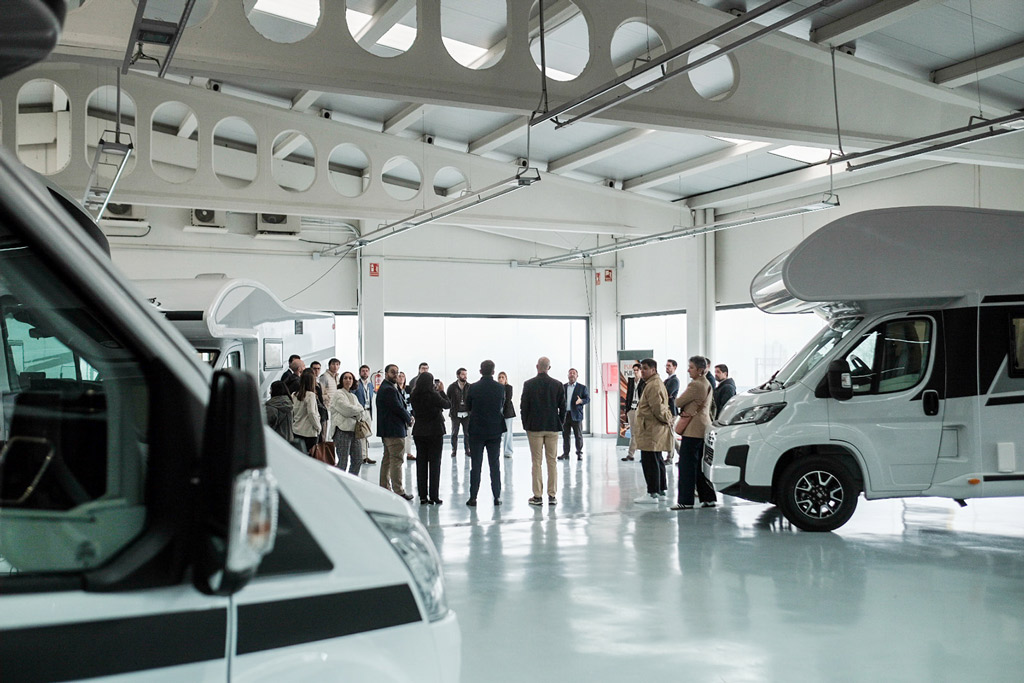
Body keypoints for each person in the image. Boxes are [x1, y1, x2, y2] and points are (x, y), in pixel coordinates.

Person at [671, 356, 717, 510]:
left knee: (686, 466)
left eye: (691, 367)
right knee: (698, 466)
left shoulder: (696, 385)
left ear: (700, 370)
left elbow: (678, 402)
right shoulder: (707, 383)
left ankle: (686, 500)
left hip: (692, 429)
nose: (688, 370)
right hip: (703, 426)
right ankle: (708, 498)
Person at [520, 356, 565, 506]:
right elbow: (563, 408)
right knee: (552, 461)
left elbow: (523, 407)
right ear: (549, 368)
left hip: (534, 428)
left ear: (537, 366)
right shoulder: (558, 385)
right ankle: (552, 496)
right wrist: (560, 422)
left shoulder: (529, 384)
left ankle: (537, 496)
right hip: (552, 427)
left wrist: (526, 424)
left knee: (536, 462)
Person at [465, 360, 506, 507]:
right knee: (494, 464)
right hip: (495, 430)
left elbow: (468, 406)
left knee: (476, 465)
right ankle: (497, 496)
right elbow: (501, 405)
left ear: (480, 371)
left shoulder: (473, 388)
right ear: (493, 372)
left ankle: (473, 497)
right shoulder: (500, 388)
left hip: (476, 430)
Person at [633, 358, 673, 504]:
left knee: (650, 461)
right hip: (652, 428)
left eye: (644, 368)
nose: (642, 371)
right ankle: (661, 488)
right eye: (641, 368)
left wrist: (666, 419)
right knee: (657, 459)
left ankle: (652, 493)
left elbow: (658, 408)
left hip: (651, 429)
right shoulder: (653, 383)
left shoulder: (653, 385)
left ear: (653, 370)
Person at [409, 372, 450, 505]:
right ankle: (434, 496)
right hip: (435, 432)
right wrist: (442, 391)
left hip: (419, 431)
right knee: (435, 464)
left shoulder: (414, 395)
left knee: (421, 464)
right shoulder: (434, 395)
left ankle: (422, 496)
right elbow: (447, 404)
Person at [375, 364, 413, 501]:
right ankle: (399, 490)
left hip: (389, 430)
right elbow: (398, 408)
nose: (395, 375)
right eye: (392, 372)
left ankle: (384, 486)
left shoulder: (389, 387)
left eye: (397, 372)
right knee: (397, 460)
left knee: (387, 459)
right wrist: (408, 418)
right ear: (386, 373)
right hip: (394, 430)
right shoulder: (388, 389)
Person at [329, 371, 369, 475]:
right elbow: (347, 410)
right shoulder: (338, 394)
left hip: (354, 431)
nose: (348, 380)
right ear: (341, 381)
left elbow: (362, 412)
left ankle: (351, 482)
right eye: (345, 378)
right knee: (343, 462)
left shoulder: (353, 396)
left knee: (358, 460)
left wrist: (356, 412)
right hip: (342, 431)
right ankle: (338, 485)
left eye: (350, 378)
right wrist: (357, 412)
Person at [559, 368, 589, 461]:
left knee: (578, 435)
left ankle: (579, 453)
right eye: (570, 373)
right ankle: (566, 454)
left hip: (576, 415)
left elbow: (587, 399)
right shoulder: (563, 387)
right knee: (565, 435)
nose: (572, 375)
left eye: (574, 373)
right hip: (565, 415)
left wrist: (581, 401)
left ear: (577, 376)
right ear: (568, 375)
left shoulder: (582, 387)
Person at [291, 368, 321, 453]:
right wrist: (318, 427)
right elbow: (312, 413)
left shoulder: (294, 394)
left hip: (296, 430)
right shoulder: (311, 395)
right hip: (309, 432)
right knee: (310, 457)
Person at [621, 363, 644, 462]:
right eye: (634, 370)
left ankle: (643, 455)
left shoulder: (644, 382)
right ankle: (631, 454)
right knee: (634, 433)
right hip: (631, 409)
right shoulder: (631, 381)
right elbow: (628, 395)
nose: (635, 372)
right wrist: (627, 408)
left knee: (642, 433)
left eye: (637, 370)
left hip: (640, 409)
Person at [446, 367, 471, 459]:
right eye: (463, 374)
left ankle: (467, 450)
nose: (465, 376)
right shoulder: (452, 387)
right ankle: (454, 450)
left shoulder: (469, 386)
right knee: (454, 433)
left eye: (466, 374)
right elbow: (447, 398)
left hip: (467, 413)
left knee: (467, 433)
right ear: (458, 375)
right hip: (455, 413)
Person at [355, 364, 377, 465]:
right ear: (360, 373)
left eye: (367, 371)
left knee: (367, 434)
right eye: (363, 371)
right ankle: (362, 456)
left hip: (369, 411)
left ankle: (366, 456)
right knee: (361, 434)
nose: (365, 372)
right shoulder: (356, 384)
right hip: (361, 411)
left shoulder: (370, 385)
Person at [264, 380, 295, 446]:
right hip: (290, 439)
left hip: (276, 441)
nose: (269, 392)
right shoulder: (290, 404)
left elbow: (266, 425)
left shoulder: (271, 407)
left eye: (271, 390)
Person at [664, 359, 680, 464]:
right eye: (666, 365)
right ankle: (680, 454)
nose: (667, 367)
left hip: (671, 411)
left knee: (670, 434)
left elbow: (666, 393)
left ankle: (670, 457)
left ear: (674, 367)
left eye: (669, 366)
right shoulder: (667, 380)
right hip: (668, 410)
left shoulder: (674, 380)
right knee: (670, 435)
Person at [397, 371, 415, 461]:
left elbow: (412, 402)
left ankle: (409, 453)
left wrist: (412, 415)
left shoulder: (408, 389)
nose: (401, 378)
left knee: (409, 435)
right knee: (400, 437)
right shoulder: (395, 389)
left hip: (409, 415)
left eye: (403, 376)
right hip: (400, 416)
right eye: (399, 376)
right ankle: (400, 453)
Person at [498, 371, 516, 458]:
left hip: (507, 412)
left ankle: (508, 451)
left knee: (508, 433)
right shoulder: (495, 388)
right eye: (499, 377)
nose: (501, 379)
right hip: (497, 412)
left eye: (503, 377)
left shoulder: (509, 388)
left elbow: (507, 400)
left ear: (506, 379)